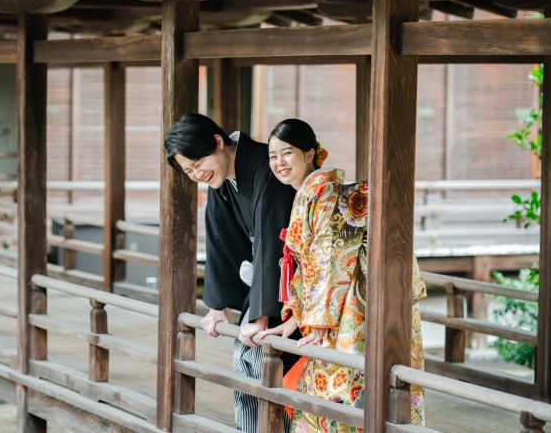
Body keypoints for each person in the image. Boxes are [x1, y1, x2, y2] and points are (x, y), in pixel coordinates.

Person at [256, 118, 426, 432]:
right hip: (342, 302)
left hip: (353, 305)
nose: (279, 162)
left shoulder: (322, 189)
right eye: (272, 156)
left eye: (287, 153)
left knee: (347, 383)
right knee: (345, 386)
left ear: (310, 154)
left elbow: (327, 256)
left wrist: (318, 320)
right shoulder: (313, 190)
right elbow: (309, 267)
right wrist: (295, 318)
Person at [164, 113, 297, 432]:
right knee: (245, 362)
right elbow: (220, 240)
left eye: (198, 163)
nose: (197, 174)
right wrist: (216, 307)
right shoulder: (221, 178)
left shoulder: (265, 167)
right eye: (189, 171)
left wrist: (261, 316)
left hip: (295, 278)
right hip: (270, 278)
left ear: (218, 142)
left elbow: (270, 240)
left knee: (269, 363)